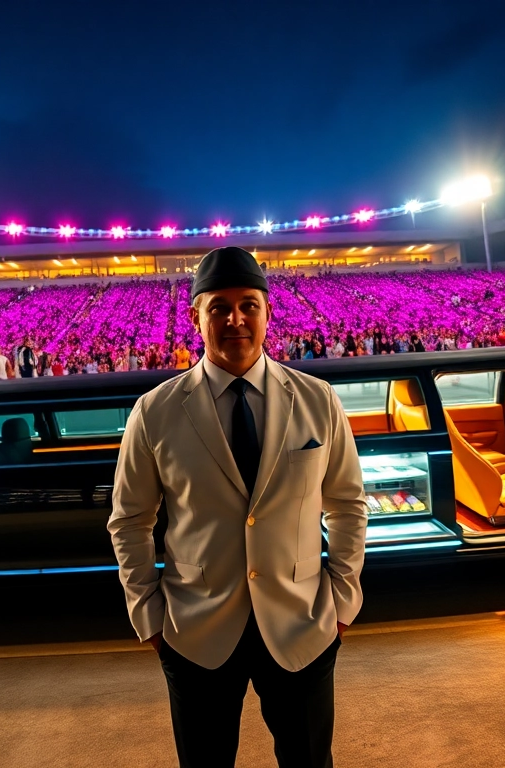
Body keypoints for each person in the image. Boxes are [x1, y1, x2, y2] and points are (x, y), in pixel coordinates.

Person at [108, 246, 367, 768]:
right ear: (195, 316)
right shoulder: (155, 410)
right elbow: (131, 520)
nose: (235, 319)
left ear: (268, 312)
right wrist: (149, 616)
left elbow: (346, 504)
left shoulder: (318, 399)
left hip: (303, 621)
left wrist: (342, 600)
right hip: (194, 628)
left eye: (249, 304)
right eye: (219, 306)